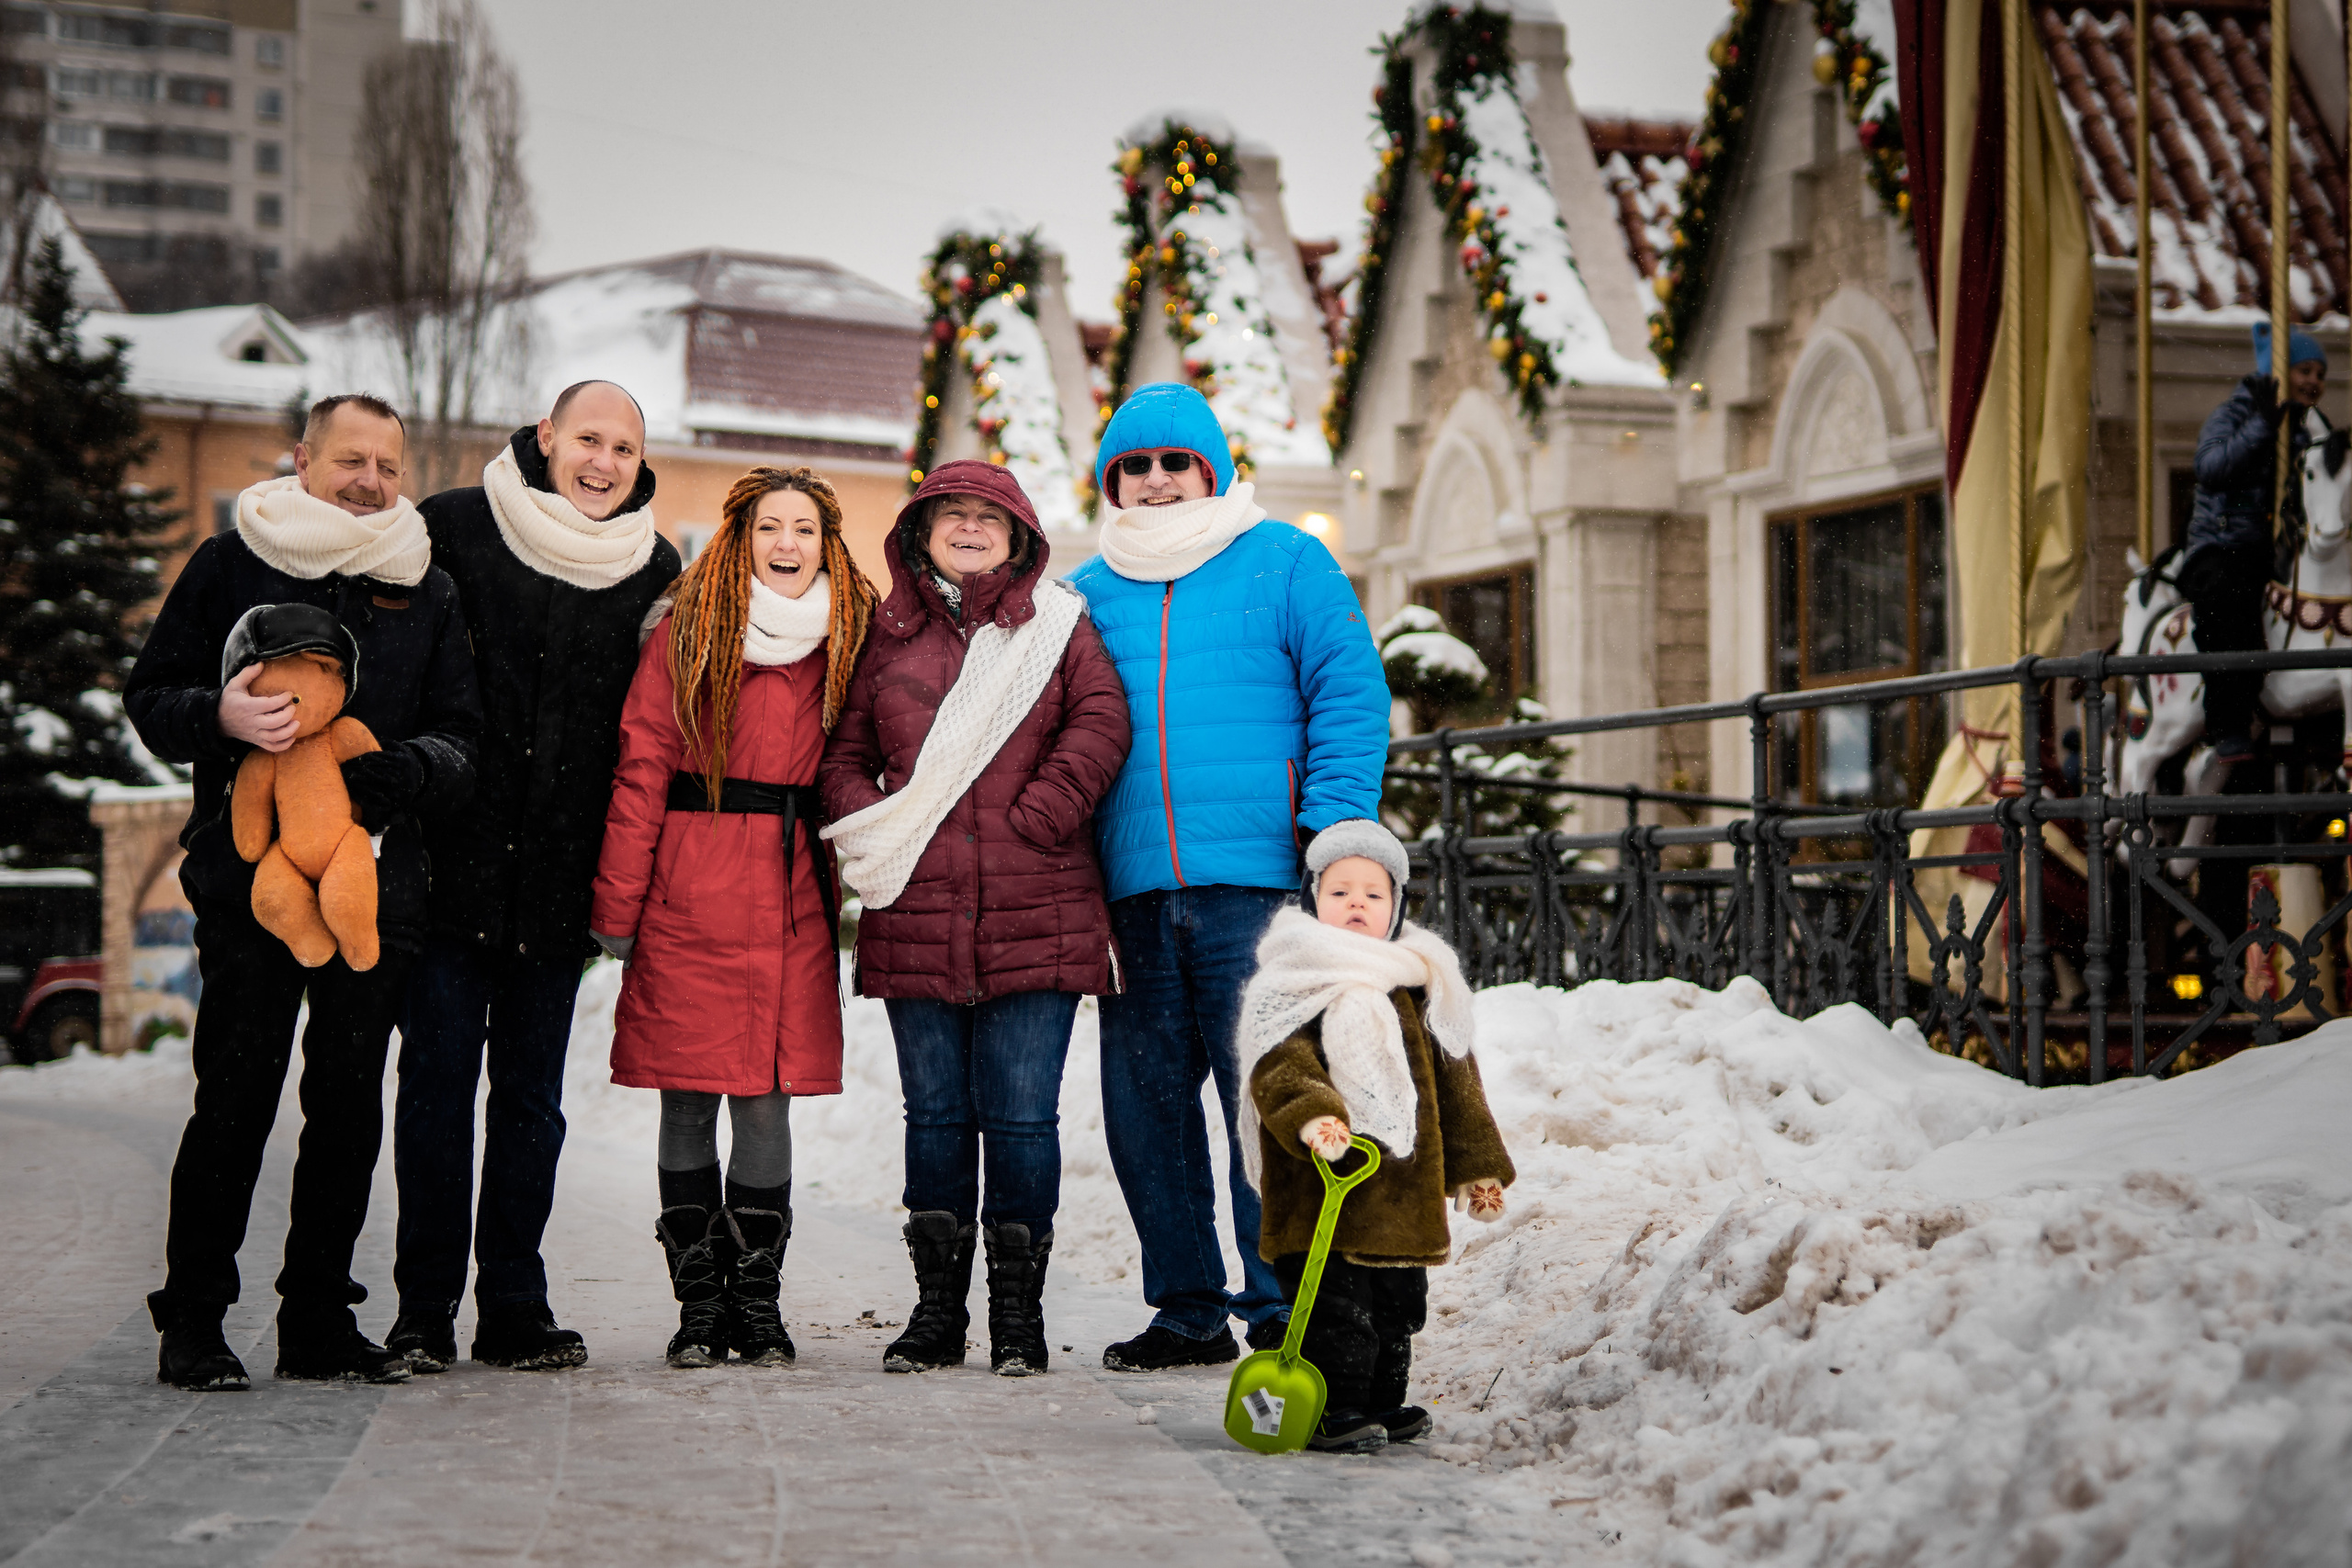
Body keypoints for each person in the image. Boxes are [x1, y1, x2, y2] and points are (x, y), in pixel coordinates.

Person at [126, 393, 481, 1390]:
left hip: (376, 891)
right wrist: (221, 715)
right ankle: (195, 1318)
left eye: (388, 466)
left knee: (346, 1108)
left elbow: (465, 739)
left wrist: (404, 773)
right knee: (234, 1100)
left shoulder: (428, 586)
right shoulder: (232, 562)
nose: (371, 480)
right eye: (351, 460)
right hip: (248, 890)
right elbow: (151, 698)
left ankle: (318, 1316)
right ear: (304, 460)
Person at [1066, 383, 1391, 1371]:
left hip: (1257, 886)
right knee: (1146, 1111)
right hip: (1130, 893)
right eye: (1134, 466)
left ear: (1210, 467)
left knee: (1270, 1102)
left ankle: (1285, 1303)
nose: (1156, 482)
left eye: (1174, 462)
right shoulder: (1084, 591)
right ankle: (1186, 1307)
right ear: (1111, 481)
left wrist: (1333, 823)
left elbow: (1346, 687)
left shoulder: (1285, 560)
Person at [387, 381, 680, 1375]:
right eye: (588, 439)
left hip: (560, 884)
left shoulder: (653, 567)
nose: (604, 463)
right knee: (431, 1093)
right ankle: (423, 1307)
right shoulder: (457, 528)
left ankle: (514, 1299)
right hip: (449, 871)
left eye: (625, 448)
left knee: (529, 1103)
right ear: (547, 437)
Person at [819, 458, 1129, 1377]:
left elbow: (1101, 723)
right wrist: (874, 825)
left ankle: (1019, 1321)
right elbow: (843, 751)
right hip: (916, 902)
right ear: (920, 531)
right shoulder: (887, 634)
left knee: (1024, 1119)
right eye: (947, 513)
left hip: (1039, 906)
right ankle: (936, 1316)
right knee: (937, 1117)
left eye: (984, 516)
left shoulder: (1059, 627)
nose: (965, 527)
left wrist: (1036, 817)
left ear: (1019, 535)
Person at [589, 467, 876, 1369]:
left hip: (791, 889)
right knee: (687, 1097)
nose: (785, 545)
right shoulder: (687, 630)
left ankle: (757, 1301)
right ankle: (698, 1303)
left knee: (764, 1102)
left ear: (825, 543)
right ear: (739, 539)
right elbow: (640, 766)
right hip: (688, 882)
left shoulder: (849, 637)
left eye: (802, 529)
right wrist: (618, 903)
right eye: (767, 528)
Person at [1240, 818, 1513, 1452]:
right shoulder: (1292, 981)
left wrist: (1478, 1171)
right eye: (1339, 891)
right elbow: (1279, 1064)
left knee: (1395, 1308)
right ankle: (1334, 1406)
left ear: (1396, 906)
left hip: (1399, 1194)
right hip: (1322, 1190)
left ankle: (1381, 1403)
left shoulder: (1420, 984)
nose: (1357, 902)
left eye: (1373, 892)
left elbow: (1459, 1090)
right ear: (1312, 900)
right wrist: (1315, 1117)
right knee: (1336, 1310)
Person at [2182, 324, 2329, 765]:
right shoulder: (2235, 413)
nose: (2314, 382)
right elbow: (2210, 467)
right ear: (2277, 370)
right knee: (2230, 611)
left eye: (2320, 374)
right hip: (2220, 545)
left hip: (2268, 554)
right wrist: (2264, 424)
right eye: (2304, 370)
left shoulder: (2305, 431)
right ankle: (2227, 723)